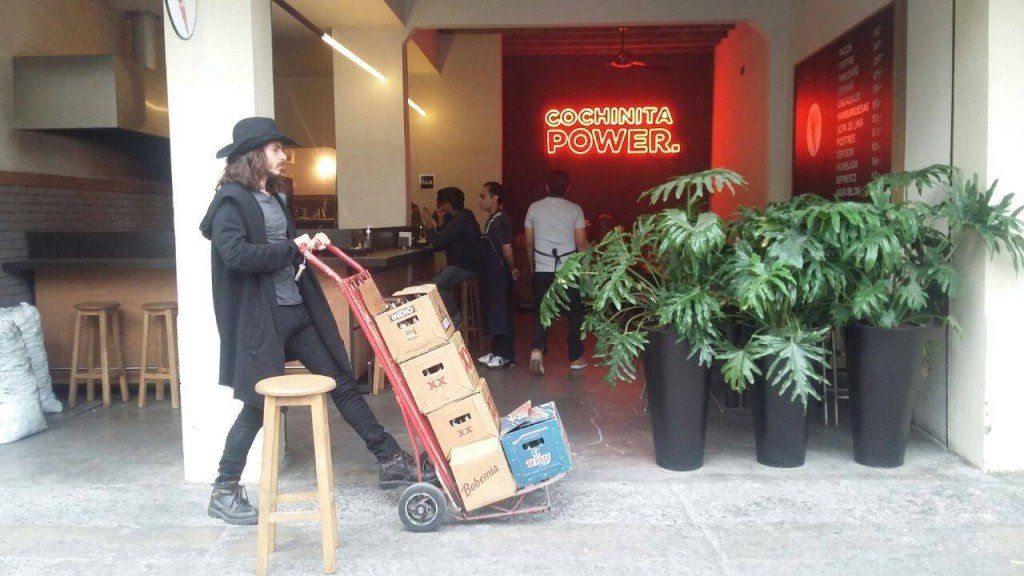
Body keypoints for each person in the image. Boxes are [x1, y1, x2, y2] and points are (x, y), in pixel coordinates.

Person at [199, 117, 429, 525]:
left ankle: (391, 460)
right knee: (257, 405)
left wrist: (307, 244)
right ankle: (224, 489)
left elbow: (284, 247)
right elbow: (236, 255)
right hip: (263, 319)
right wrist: (292, 248)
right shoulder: (230, 202)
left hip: (296, 310)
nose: (283, 156)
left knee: (342, 382)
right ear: (254, 154)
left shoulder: (274, 197)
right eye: (276, 149)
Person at [524, 169, 589, 376]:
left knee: (542, 312)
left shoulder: (534, 208)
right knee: (575, 314)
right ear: (567, 188)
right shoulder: (575, 210)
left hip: (542, 269)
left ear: (546, 187)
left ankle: (537, 350)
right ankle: (575, 357)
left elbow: (528, 242)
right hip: (568, 271)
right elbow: (581, 244)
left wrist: (532, 265)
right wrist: (586, 270)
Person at [420, 187, 480, 327]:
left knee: (434, 286)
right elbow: (444, 238)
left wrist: (429, 223)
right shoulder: (465, 217)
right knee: (438, 283)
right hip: (469, 265)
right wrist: (440, 220)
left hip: (463, 267)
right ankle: (452, 318)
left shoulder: (459, 221)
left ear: (447, 203)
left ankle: (454, 318)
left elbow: (438, 242)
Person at [476, 182, 519, 370]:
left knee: (502, 314)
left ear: (495, 199)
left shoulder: (501, 220)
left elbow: (506, 248)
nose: (480, 200)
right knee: (494, 312)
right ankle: (495, 350)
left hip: (500, 274)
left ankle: (506, 355)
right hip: (491, 274)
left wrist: (513, 268)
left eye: (483, 196)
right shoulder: (492, 219)